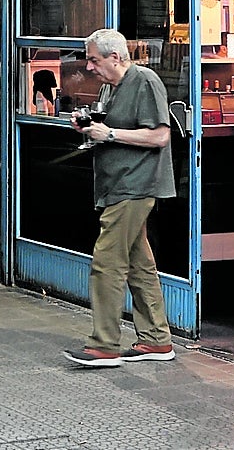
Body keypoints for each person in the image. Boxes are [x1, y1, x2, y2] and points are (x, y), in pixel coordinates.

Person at [64, 28, 177, 368]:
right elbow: (109, 128)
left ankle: (104, 345)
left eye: (94, 60)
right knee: (139, 264)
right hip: (118, 186)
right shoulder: (109, 88)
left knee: (107, 262)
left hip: (134, 186)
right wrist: (89, 128)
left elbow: (159, 136)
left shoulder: (144, 80)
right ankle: (156, 340)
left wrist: (109, 133)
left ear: (116, 57)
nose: (89, 67)